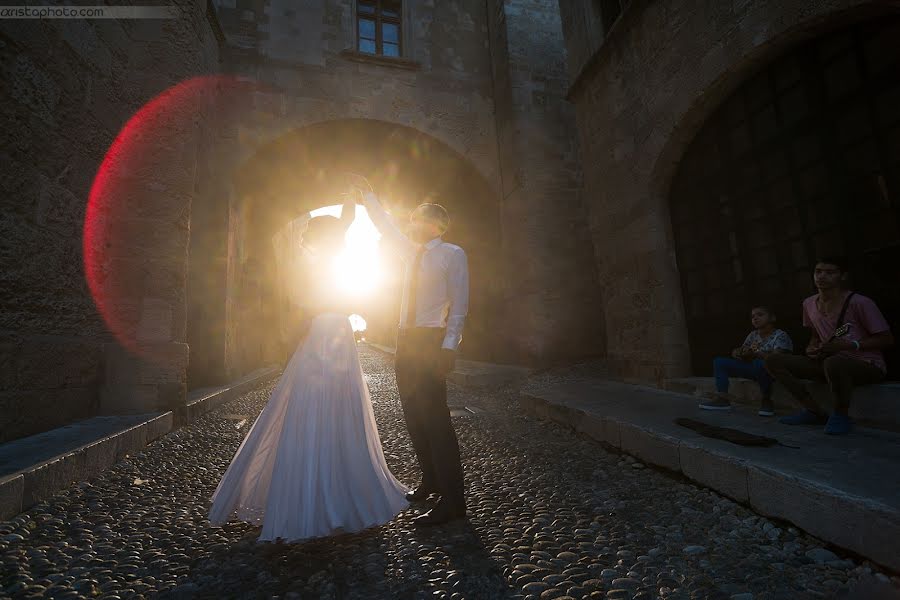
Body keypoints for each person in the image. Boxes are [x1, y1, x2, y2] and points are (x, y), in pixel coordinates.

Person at [208, 196, 409, 541]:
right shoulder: (334, 261)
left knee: (311, 401)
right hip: (334, 331)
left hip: (323, 331)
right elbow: (332, 283)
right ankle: (337, 489)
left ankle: (310, 488)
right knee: (336, 403)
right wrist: (353, 195)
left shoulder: (313, 262)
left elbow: (304, 300)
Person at [351, 176, 469, 527]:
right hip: (406, 341)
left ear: (438, 224)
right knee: (413, 414)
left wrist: (449, 347)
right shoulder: (408, 251)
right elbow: (385, 226)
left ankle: (454, 501)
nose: (412, 222)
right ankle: (430, 479)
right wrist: (368, 196)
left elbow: (460, 306)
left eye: (419, 217)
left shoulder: (453, 255)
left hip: (432, 341)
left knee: (437, 419)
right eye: (412, 217)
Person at [765, 257, 894, 435]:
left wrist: (850, 345)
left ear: (843, 276)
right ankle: (813, 411)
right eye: (818, 272)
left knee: (835, 362)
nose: (822, 277)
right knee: (774, 360)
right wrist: (812, 347)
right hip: (826, 362)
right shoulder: (809, 303)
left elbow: (886, 339)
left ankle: (840, 415)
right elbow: (815, 335)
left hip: (866, 364)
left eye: (830, 272)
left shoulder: (860, 302)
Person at [699, 306, 793, 416]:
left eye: (760, 315)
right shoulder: (753, 335)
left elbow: (777, 358)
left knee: (759, 363)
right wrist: (738, 353)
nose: (755, 318)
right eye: (753, 316)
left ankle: (767, 400)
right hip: (753, 368)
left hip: (770, 371)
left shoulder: (780, 335)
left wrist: (756, 354)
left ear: (772, 318)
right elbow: (744, 350)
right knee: (719, 362)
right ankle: (722, 399)